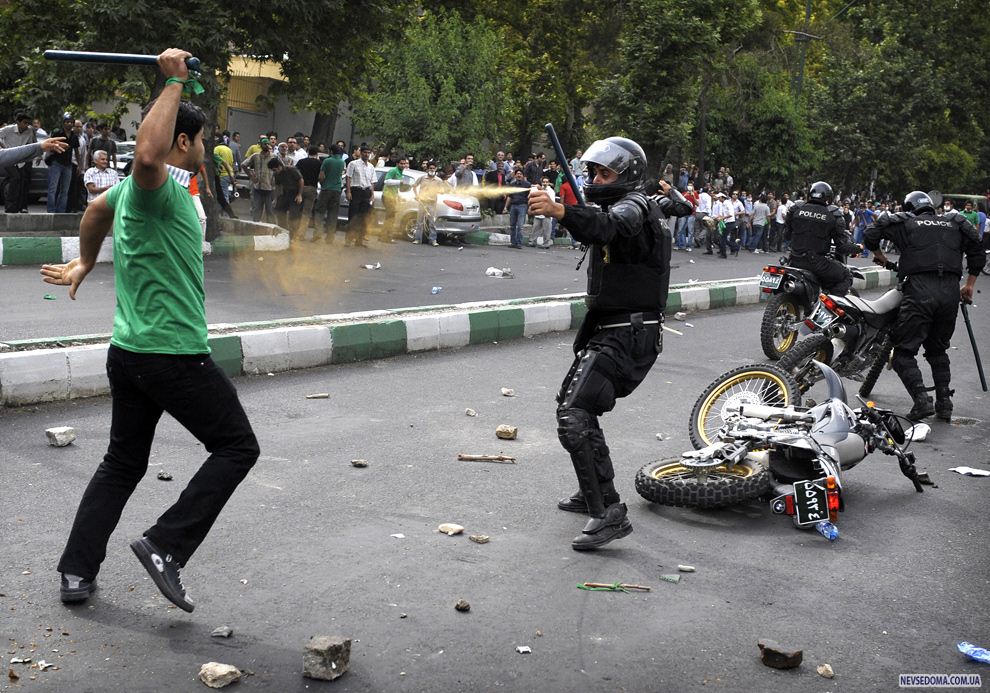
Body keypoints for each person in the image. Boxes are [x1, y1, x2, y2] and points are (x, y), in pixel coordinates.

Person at [40, 48, 260, 612]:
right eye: (202, 139)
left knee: (123, 462)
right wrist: (172, 83)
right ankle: (166, 544)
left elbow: (94, 213)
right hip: (171, 355)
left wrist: (87, 260)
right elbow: (143, 155)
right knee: (237, 446)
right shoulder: (153, 184)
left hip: (131, 353)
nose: (207, 147)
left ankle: (76, 571)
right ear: (182, 142)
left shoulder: (155, 192)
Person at [527, 136, 691, 550]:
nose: (597, 179)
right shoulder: (616, 205)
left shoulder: (634, 206)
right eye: (594, 172)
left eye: (605, 173)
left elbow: (611, 226)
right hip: (613, 329)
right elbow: (598, 222)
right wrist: (574, 211)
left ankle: (610, 512)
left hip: (628, 334)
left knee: (574, 413)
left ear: (629, 175)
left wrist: (561, 210)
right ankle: (593, 492)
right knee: (575, 407)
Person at [865, 191, 984, 422]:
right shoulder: (956, 221)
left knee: (902, 352)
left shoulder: (905, 221)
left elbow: (872, 232)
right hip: (950, 291)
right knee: (938, 350)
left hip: (919, 290)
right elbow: (977, 249)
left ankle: (921, 400)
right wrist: (969, 285)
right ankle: (944, 402)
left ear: (909, 207)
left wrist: (879, 255)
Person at [781, 181, 860, 295]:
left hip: (794, 260)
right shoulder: (833, 214)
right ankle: (828, 306)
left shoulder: (796, 209)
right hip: (817, 263)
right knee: (846, 275)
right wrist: (858, 248)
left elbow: (786, 235)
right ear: (829, 197)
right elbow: (842, 246)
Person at [0, 113, 38, 213]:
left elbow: (31, 144)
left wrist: (35, 156)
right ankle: (10, 206)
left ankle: (19, 207)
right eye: (24, 123)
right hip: (9, 158)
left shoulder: (29, 131)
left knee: (21, 182)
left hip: (21, 160)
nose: (26, 125)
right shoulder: (8, 129)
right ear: (18, 122)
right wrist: (4, 147)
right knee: (15, 178)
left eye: (28, 123)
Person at [345, 144, 376, 247]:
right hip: (356, 191)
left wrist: (372, 193)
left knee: (364, 217)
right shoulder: (353, 164)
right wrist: (348, 191)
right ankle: (348, 240)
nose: (367, 154)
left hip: (366, 192)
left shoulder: (371, 166)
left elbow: (372, 181)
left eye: (368, 153)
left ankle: (359, 240)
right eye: (365, 152)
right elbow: (348, 177)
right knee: (353, 216)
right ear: (361, 153)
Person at [46, 114, 79, 213]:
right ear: (63, 123)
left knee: (65, 190)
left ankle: (61, 210)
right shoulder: (57, 133)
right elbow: (49, 145)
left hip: (68, 164)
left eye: (71, 122)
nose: (69, 124)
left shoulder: (74, 136)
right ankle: (51, 210)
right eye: (67, 122)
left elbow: (76, 151)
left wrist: (79, 165)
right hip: (56, 162)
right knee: (53, 188)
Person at [315, 143, 346, 242]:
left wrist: (322, 184)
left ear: (331, 151)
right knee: (333, 214)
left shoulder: (327, 161)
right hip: (337, 190)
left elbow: (321, 176)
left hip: (326, 189)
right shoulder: (342, 162)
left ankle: (318, 234)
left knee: (320, 212)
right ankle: (330, 237)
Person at [241, 138, 276, 222]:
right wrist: (251, 176)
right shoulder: (255, 156)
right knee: (257, 209)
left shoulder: (274, 157)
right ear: (261, 145)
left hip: (269, 187)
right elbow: (243, 165)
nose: (266, 146)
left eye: (268, 144)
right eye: (264, 144)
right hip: (257, 187)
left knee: (270, 210)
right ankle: (256, 228)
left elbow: (281, 167)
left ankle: (270, 230)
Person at [412, 162, 447, 246]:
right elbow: (414, 186)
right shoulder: (422, 178)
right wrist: (417, 196)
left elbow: (443, 190)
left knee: (432, 223)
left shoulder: (438, 180)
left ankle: (433, 240)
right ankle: (417, 239)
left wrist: (440, 191)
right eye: (430, 168)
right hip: (422, 202)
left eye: (433, 168)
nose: (432, 170)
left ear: (435, 169)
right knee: (419, 222)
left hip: (432, 203)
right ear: (427, 169)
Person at [269, 158, 303, 236]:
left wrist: (299, 195)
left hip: (295, 193)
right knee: (279, 211)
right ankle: (283, 232)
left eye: (275, 170)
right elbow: (278, 186)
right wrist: (276, 199)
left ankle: (294, 235)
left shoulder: (291, 170)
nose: (274, 172)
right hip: (285, 193)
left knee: (294, 215)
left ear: (279, 166)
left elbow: (301, 181)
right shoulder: (276, 174)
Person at [294, 146, 322, 238]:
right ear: (317, 153)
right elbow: (321, 176)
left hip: (300, 189)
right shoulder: (319, 163)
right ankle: (301, 234)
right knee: (306, 213)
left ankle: (293, 231)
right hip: (312, 188)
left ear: (308, 152)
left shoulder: (301, 162)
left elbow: (295, 172)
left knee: (296, 210)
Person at [381, 156, 408, 243]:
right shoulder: (393, 170)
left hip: (393, 197)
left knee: (390, 217)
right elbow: (386, 181)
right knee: (390, 217)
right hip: (387, 196)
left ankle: (385, 236)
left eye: (404, 163)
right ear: (397, 164)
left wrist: (398, 196)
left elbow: (396, 188)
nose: (403, 165)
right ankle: (386, 237)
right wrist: (399, 182)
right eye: (401, 163)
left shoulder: (401, 172)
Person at [503, 168, 529, 249]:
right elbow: (509, 197)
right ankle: (513, 243)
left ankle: (519, 243)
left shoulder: (527, 185)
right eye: (517, 174)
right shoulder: (512, 184)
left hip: (522, 206)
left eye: (520, 174)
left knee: (520, 226)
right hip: (513, 206)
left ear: (523, 176)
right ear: (515, 175)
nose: (519, 175)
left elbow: (530, 196)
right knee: (512, 226)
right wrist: (505, 207)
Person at [528, 176, 555, 247]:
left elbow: (550, 201)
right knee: (535, 228)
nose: (545, 183)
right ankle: (532, 241)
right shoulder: (538, 189)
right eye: (544, 182)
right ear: (541, 182)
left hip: (547, 213)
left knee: (546, 230)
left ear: (548, 183)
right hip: (538, 212)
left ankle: (546, 243)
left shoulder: (551, 191)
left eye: (546, 182)